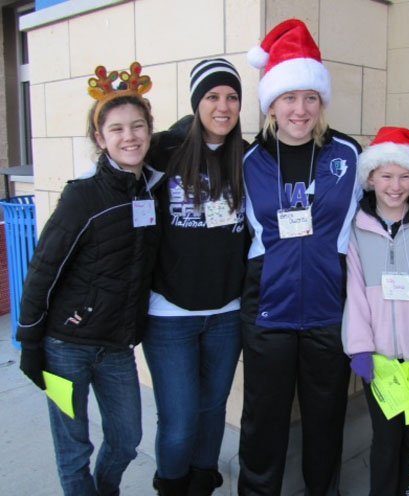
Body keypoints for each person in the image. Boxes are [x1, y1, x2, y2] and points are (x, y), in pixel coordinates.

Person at [16, 62, 163, 496]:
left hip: (116, 349)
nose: (129, 136)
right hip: (65, 347)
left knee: (126, 439)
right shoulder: (83, 196)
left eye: (138, 126)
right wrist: (30, 340)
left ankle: (105, 490)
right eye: (116, 129)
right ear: (100, 139)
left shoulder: (151, 191)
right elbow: (44, 267)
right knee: (73, 448)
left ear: (150, 132)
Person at [239, 18, 362, 495]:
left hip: (328, 312)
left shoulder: (349, 154)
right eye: (290, 98)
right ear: (272, 103)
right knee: (263, 422)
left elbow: (384, 206)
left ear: (321, 102)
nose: (300, 108)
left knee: (326, 418)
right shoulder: (249, 160)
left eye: (310, 97)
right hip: (268, 310)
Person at [142, 58, 247, 496]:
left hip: (228, 312)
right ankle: (172, 487)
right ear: (196, 101)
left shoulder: (249, 155)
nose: (223, 107)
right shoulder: (162, 150)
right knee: (180, 418)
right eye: (212, 96)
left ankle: (202, 483)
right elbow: (111, 174)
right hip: (170, 314)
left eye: (231, 97)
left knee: (212, 410)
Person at [342, 127, 409, 495]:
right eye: (386, 175)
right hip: (380, 359)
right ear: (371, 177)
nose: (395, 185)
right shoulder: (356, 227)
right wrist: (359, 347)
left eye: (405, 176)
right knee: (385, 439)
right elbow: (354, 291)